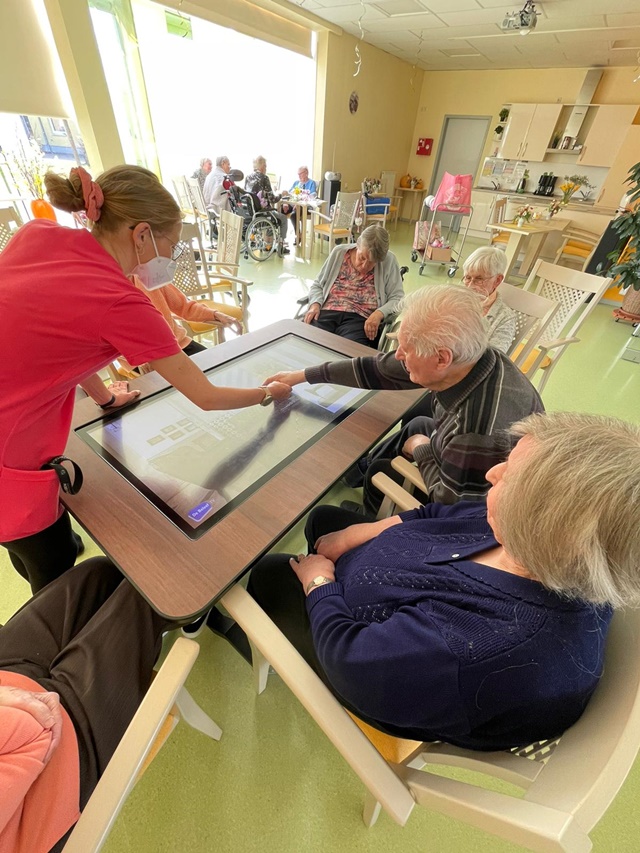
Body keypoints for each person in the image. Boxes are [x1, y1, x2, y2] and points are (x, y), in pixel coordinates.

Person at [221, 411, 640, 751]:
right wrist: (362, 533)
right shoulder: (533, 540)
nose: (492, 473)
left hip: (357, 653)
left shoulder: (476, 649)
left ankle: (253, 639)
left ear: (546, 528)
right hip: (388, 580)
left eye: (509, 476)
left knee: (269, 571)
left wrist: (319, 583)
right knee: (324, 520)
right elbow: (439, 515)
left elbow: (349, 659)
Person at [0, 164, 291, 594]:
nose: (170, 257)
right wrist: (267, 392)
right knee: (54, 574)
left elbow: (62, 344)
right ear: (141, 235)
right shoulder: (122, 302)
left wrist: (104, 398)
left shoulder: (38, 233)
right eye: (169, 244)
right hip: (11, 461)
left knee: (33, 544)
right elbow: (206, 396)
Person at [266, 285, 542, 515]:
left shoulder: (475, 432)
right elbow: (378, 368)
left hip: (481, 509)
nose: (398, 355)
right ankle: (357, 475)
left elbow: (451, 506)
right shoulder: (475, 357)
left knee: (382, 468)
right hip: (465, 462)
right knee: (417, 424)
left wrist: (422, 449)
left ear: (441, 358)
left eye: (406, 350)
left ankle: (371, 515)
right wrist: (303, 375)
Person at [0, 557, 177, 852]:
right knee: (151, 587)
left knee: (103, 573)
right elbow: (34, 734)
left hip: (13, 700)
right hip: (42, 774)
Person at [302, 224, 404, 348]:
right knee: (306, 343)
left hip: (360, 319)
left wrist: (379, 313)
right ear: (357, 244)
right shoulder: (339, 252)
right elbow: (318, 284)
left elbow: (397, 298)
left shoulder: (389, 260)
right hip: (327, 312)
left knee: (349, 353)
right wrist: (315, 304)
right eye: (362, 258)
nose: (365, 265)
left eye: (372, 263)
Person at [461, 246, 516, 354]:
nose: (470, 286)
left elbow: (494, 357)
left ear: (497, 280)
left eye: (479, 279)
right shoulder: (454, 299)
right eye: (467, 278)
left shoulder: (505, 317)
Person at [244, 156, 290, 253]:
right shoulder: (264, 178)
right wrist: (281, 194)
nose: (266, 168)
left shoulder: (248, 177)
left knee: (272, 218)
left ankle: (268, 245)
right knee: (283, 218)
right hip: (262, 213)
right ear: (262, 166)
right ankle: (280, 246)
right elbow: (273, 199)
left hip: (251, 212)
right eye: (265, 166)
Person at [282, 166, 317, 244]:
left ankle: (298, 236)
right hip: (294, 204)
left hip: (306, 207)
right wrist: (286, 203)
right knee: (281, 210)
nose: (299, 176)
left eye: (300, 174)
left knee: (293, 215)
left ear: (306, 173)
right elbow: (289, 194)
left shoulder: (312, 183)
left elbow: (312, 196)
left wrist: (299, 202)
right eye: (298, 174)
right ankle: (281, 239)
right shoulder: (296, 183)